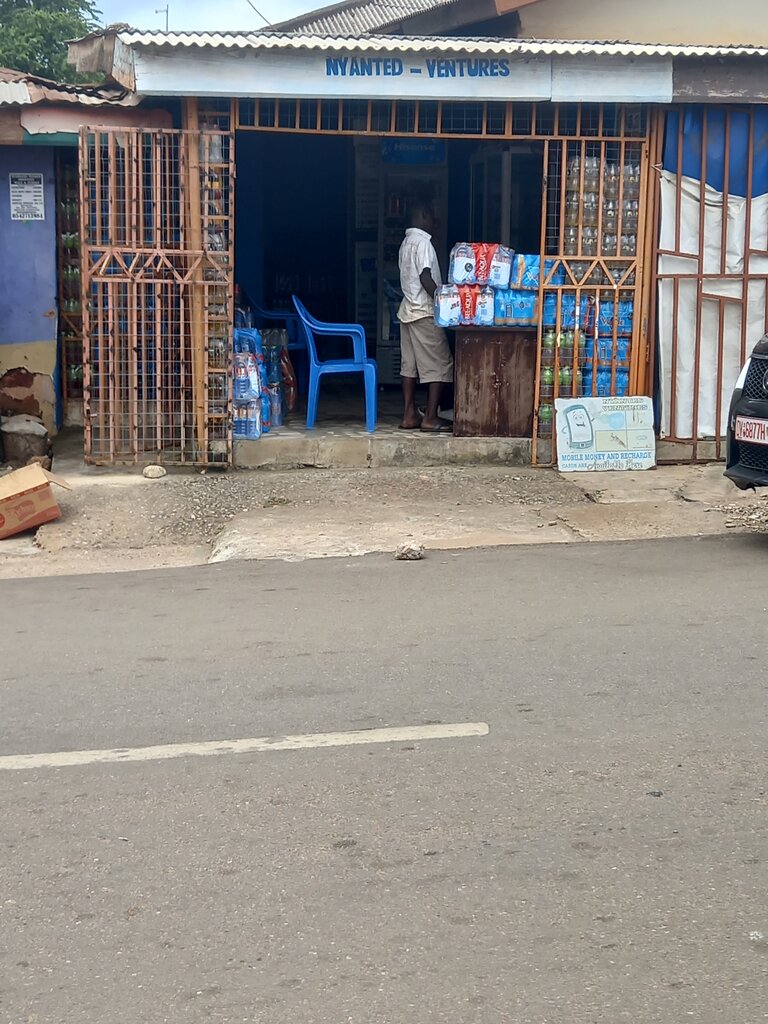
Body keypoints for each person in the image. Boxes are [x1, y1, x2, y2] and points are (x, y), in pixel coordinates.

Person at [397, 202, 454, 432]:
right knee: (441, 363)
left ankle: (409, 414)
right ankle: (430, 417)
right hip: (424, 311)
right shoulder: (423, 242)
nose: (433, 223)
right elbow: (425, 277)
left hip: (407, 311)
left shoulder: (405, 243)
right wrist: (443, 298)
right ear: (422, 216)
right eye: (431, 218)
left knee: (409, 367)